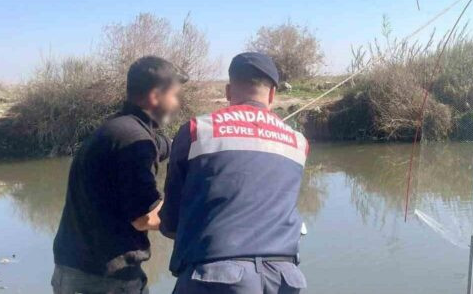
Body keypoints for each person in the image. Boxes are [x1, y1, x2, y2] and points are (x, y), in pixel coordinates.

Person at [161, 52, 308, 294]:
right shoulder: (298, 142)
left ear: (229, 91)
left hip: (216, 276)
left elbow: (172, 218)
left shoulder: (197, 131)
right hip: (285, 279)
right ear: (272, 94)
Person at [52, 56, 187, 294]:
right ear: (155, 96)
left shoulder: (117, 128)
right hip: (106, 282)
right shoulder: (135, 140)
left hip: (74, 270)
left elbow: (158, 144)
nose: (177, 103)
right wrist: (195, 218)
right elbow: (144, 218)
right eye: (174, 95)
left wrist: (182, 144)